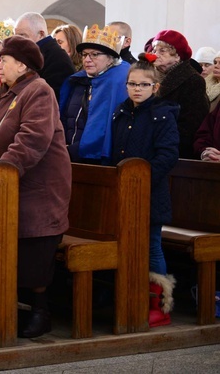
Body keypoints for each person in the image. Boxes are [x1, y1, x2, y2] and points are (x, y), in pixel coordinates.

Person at [0, 36, 70, 339]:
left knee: (32, 251)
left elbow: (32, 140)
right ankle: (11, 309)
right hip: (3, 186)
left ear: (22, 64)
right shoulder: (0, 93)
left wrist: (1, 174)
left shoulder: (39, 91)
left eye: (3, 60)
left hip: (36, 189)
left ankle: (40, 311)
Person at [110, 53, 179, 327]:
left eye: (143, 85)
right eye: (132, 84)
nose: (136, 89)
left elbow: (168, 155)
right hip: (124, 194)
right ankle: (129, 297)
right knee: (126, 246)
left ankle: (159, 305)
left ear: (155, 87)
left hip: (150, 194)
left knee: (152, 246)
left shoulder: (163, 115)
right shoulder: (121, 111)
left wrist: (140, 182)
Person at [59, 24, 129, 164]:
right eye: (84, 54)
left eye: (94, 54)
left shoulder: (118, 82)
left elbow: (103, 129)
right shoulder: (77, 81)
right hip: (67, 156)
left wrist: (72, 150)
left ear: (110, 58)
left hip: (96, 161)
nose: (87, 59)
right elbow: (65, 116)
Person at [149, 30, 209, 159]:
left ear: (177, 56)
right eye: (154, 50)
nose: (155, 54)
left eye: (162, 51)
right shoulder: (150, 77)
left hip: (175, 152)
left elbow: (190, 125)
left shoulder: (193, 80)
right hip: (151, 147)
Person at [14, 12, 75, 100]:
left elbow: (48, 99)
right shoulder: (33, 54)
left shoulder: (56, 59)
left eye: (22, 35)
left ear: (41, 34)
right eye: (16, 36)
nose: (18, 41)